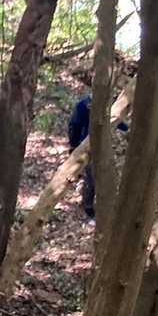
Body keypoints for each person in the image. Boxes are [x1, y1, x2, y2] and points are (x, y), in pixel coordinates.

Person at [67, 88, 128, 221]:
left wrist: (127, 129)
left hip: (103, 145)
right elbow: (74, 125)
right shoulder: (83, 105)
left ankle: (99, 204)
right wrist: (73, 145)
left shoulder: (105, 105)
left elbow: (114, 120)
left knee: (101, 176)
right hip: (85, 146)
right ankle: (87, 207)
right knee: (91, 178)